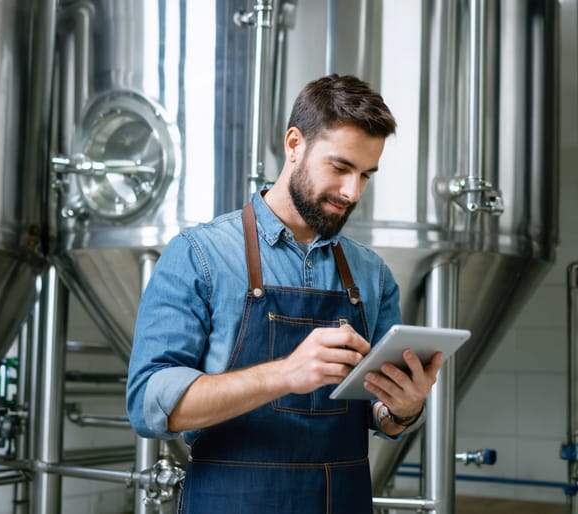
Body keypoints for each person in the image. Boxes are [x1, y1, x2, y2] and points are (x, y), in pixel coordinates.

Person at [126, 73, 445, 513]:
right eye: (340, 168)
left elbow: (380, 411)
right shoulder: (200, 255)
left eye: (366, 175)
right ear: (294, 145)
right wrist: (285, 374)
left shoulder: (372, 275)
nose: (353, 192)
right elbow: (149, 403)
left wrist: (403, 409)